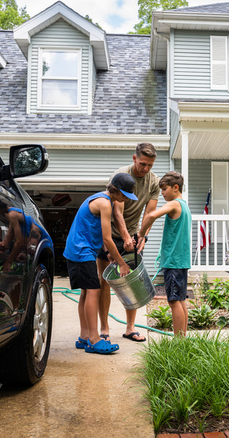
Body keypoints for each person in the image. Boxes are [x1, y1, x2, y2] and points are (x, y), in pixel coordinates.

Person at [64, 173, 138, 354]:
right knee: (94, 291)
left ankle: (84, 336)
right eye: (125, 196)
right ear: (117, 191)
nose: (126, 200)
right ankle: (94, 339)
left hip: (76, 249)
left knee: (86, 292)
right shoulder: (106, 203)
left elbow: (96, 231)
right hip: (83, 251)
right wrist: (121, 263)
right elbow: (107, 237)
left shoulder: (98, 198)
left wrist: (107, 253)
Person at [97, 142, 160, 343]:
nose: (146, 169)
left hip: (133, 233)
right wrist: (124, 237)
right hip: (109, 233)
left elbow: (149, 214)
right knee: (104, 281)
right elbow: (117, 211)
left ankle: (130, 328)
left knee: (132, 283)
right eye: (142, 164)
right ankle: (104, 328)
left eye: (150, 165)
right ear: (134, 158)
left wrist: (142, 236)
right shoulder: (121, 176)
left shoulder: (153, 182)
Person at [137, 171, 192, 337]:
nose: (162, 193)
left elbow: (151, 214)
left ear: (175, 188)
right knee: (180, 300)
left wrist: (141, 235)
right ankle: (182, 339)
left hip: (173, 261)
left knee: (174, 301)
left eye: (164, 189)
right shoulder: (184, 205)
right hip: (181, 260)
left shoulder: (175, 204)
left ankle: (178, 341)